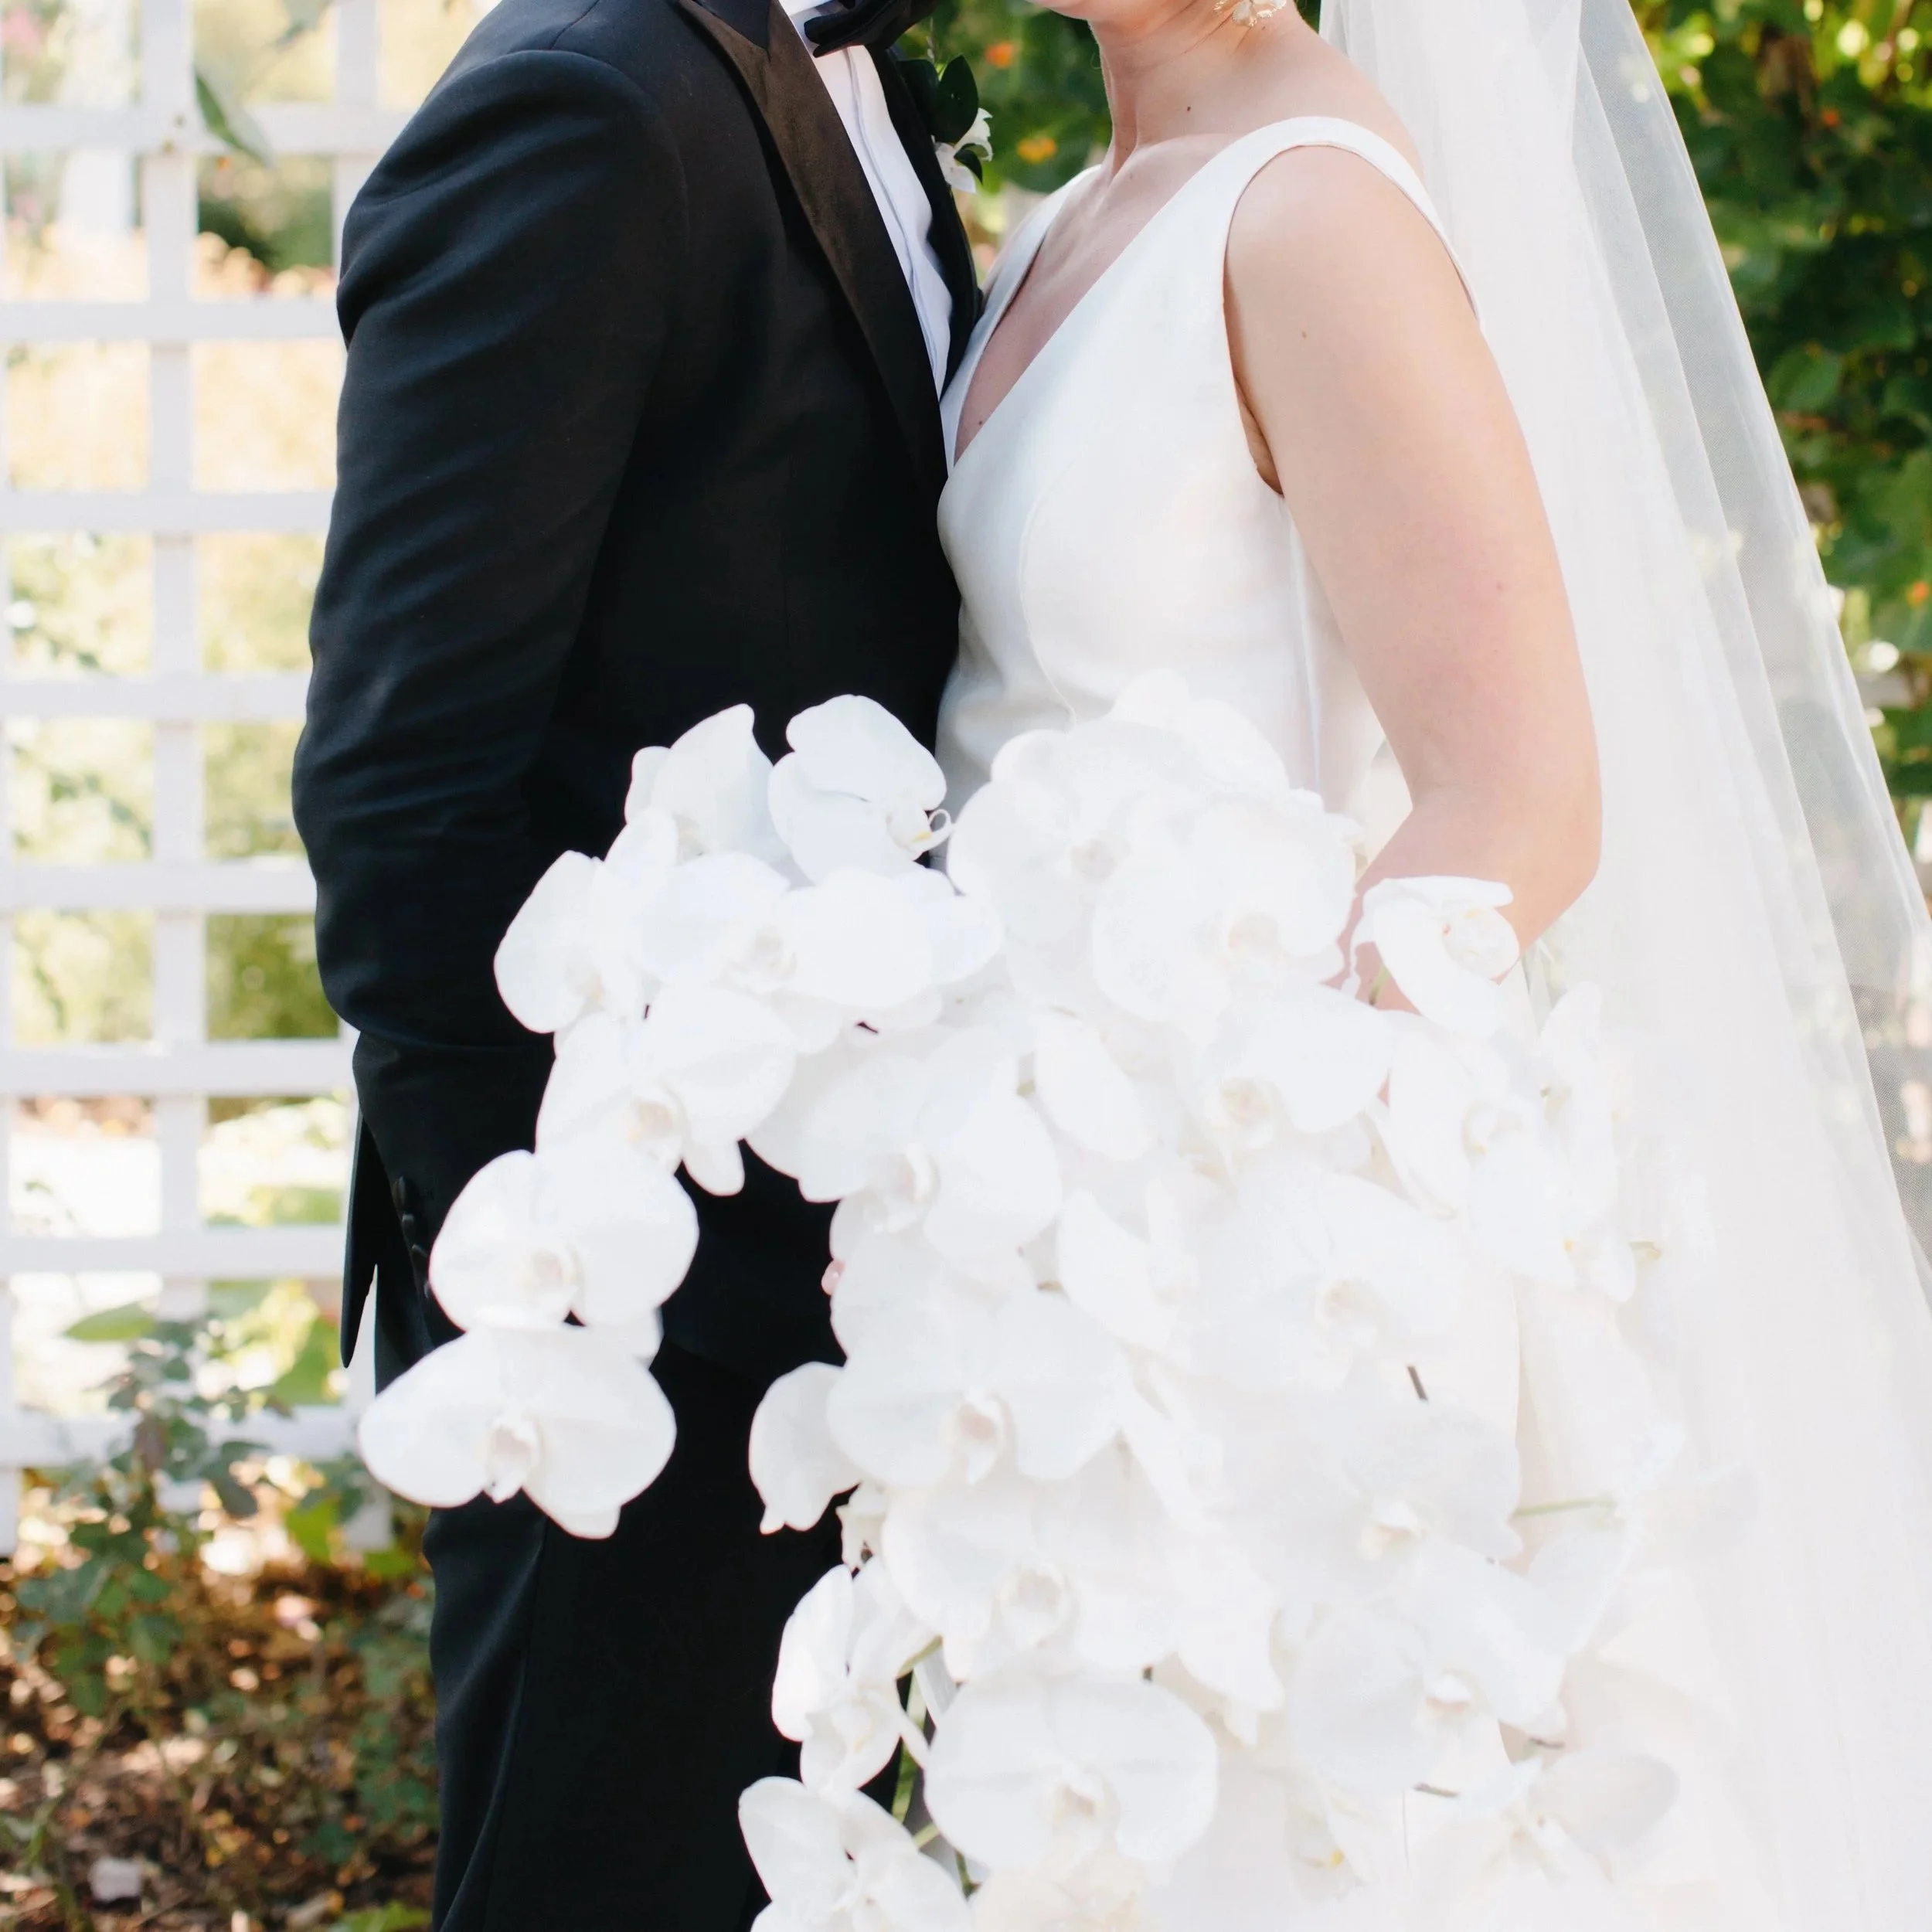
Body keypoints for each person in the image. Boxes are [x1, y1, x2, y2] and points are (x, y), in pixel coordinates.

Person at [931, 0, 1932, 1919]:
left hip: (1250, 1269)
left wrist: (1209, 1182)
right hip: (1044, 1261)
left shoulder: (1309, 215)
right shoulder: (1080, 208)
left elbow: (1516, 805)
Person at [289, 0, 978, 1918]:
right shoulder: (582, 117)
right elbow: (401, 793)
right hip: (640, 1299)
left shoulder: (814, 87)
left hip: (865, 1261)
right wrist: (582, 1263)